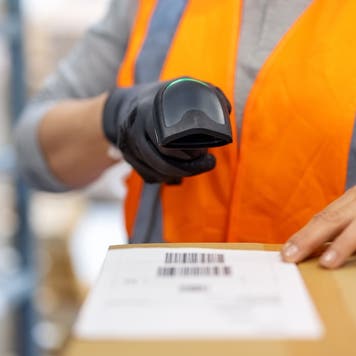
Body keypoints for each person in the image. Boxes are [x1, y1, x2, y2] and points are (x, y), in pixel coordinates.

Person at [14, 0, 356, 269]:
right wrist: (114, 114)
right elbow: (33, 153)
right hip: (165, 310)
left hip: (331, 316)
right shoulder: (156, 5)